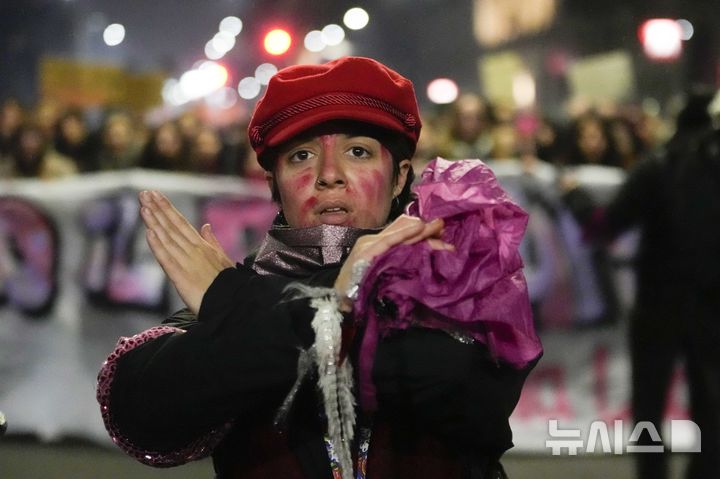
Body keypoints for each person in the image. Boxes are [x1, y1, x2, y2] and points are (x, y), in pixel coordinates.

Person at [97, 56, 540, 479]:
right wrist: (329, 301)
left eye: (359, 152)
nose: (329, 173)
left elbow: (462, 387)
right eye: (301, 157)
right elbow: (137, 410)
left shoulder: (456, 278)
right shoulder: (237, 288)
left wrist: (247, 307)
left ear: (401, 177)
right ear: (273, 184)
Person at [563, 88, 720, 479]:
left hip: (657, 306)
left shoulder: (656, 168)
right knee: (711, 405)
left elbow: (603, 227)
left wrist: (574, 197)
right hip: (711, 306)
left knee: (649, 404)